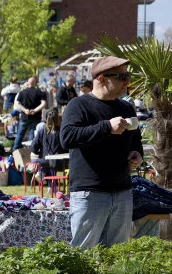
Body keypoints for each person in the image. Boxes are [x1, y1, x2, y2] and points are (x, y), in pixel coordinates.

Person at [60, 56, 143, 248]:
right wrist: (106, 127)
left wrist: (136, 154)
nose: (127, 81)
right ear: (102, 79)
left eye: (127, 75)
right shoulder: (79, 105)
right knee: (84, 256)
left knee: (116, 258)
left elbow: (135, 140)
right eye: (122, 77)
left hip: (122, 191)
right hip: (90, 193)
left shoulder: (126, 107)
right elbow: (67, 138)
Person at [12, 76, 47, 152]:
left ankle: (15, 150)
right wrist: (35, 110)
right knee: (33, 134)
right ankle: (31, 150)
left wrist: (25, 110)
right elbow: (43, 103)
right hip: (36, 116)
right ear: (35, 84)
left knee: (20, 134)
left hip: (24, 117)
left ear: (28, 83)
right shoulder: (40, 93)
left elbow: (17, 104)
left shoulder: (22, 93)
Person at [30, 108, 67, 175]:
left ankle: (42, 174)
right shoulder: (62, 132)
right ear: (58, 119)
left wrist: (40, 152)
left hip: (45, 161)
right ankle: (49, 181)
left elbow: (34, 147)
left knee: (36, 159)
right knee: (50, 162)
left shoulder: (42, 131)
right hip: (60, 162)